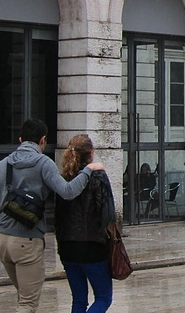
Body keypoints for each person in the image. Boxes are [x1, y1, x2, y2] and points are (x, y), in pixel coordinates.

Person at [0, 118, 105, 313]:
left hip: (3, 239)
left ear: (20, 139)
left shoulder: (5, 163)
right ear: (43, 140)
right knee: (27, 303)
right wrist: (88, 171)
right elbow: (67, 191)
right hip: (26, 241)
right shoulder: (42, 163)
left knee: (23, 294)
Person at [55, 134, 115, 313]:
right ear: (91, 153)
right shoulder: (97, 177)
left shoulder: (63, 177)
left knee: (79, 300)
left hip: (67, 247)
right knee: (103, 298)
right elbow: (107, 214)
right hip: (92, 247)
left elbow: (57, 216)